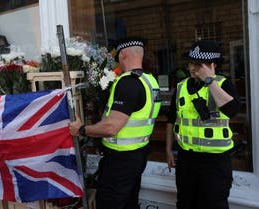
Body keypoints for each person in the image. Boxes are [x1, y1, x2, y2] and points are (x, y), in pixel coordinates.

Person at [69, 37, 161, 209]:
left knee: (110, 203)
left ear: (124, 54)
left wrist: (82, 129)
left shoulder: (128, 83)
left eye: (118, 56)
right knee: (129, 203)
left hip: (121, 160)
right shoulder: (150, 81)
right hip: (138, 155)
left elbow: (112, 127)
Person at [165, 40, 241, 209]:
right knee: (185, 204)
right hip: (186, 159)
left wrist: (210, 80)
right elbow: (171, 119)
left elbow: (232, 110)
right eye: (191, 63)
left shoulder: (223, 83)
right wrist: (169, 150)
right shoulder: (181, 87)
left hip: (215, 163)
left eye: (198, 64)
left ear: (212, 65)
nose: (192, 68)